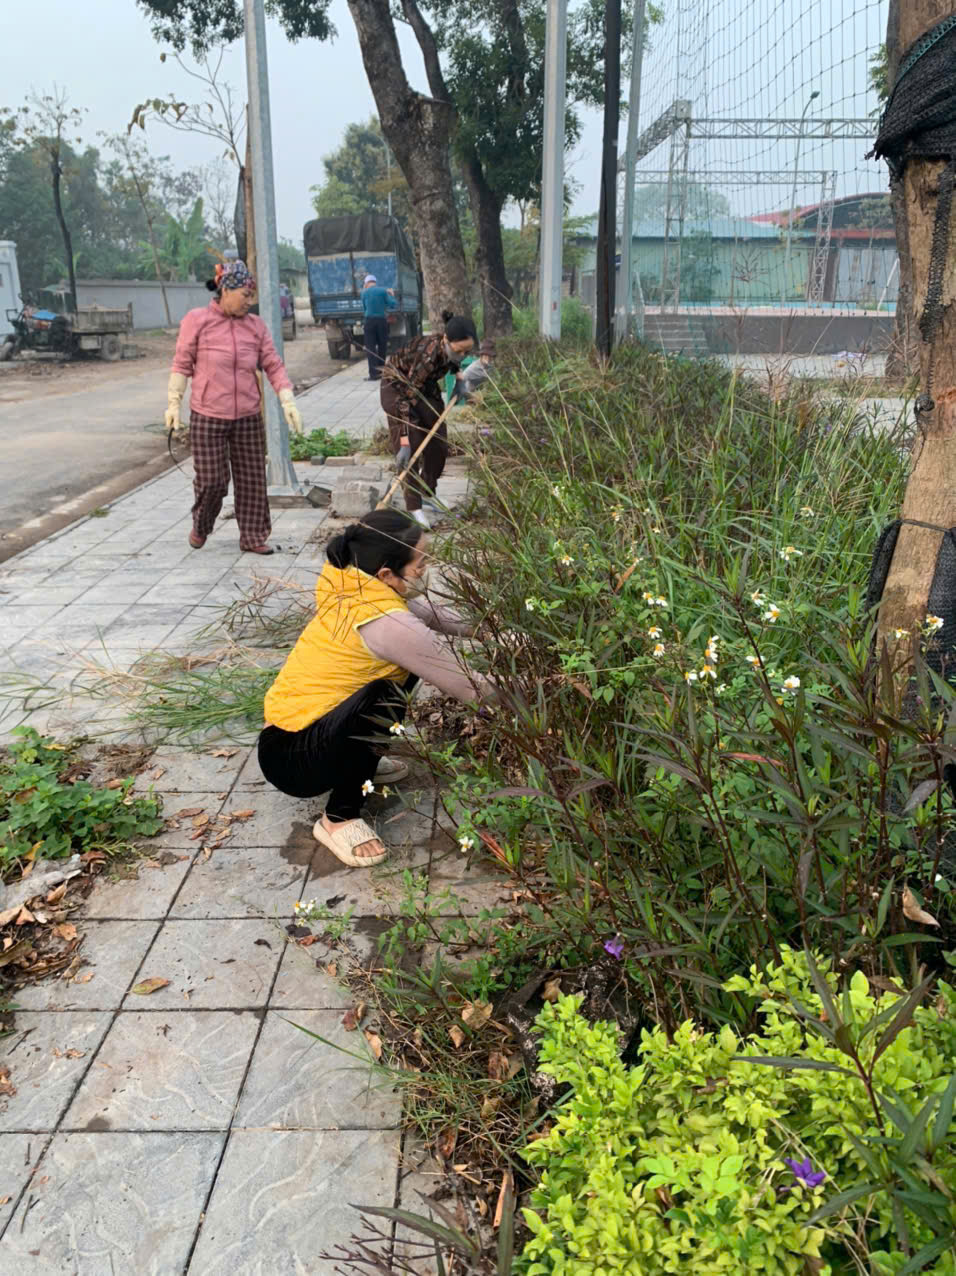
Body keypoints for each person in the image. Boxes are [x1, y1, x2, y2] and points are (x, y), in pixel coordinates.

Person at [258, 509, 496, 867]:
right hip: (294, 762)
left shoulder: (355, 584)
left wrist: (497, 625)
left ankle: (358, 762)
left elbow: (434, 616)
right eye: (421, 563)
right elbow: (475, 690)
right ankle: (338, 818)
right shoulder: (385, 622)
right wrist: (545, 688)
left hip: (290, 734)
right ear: (387, 573)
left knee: (395, 678)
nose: (426, 569)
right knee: (384, 692)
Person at [164, 259, 303, 556]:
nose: (249, 301)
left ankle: (253, 536)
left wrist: (287, 399)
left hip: (247, 416)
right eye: (245, 294)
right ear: (225, 290)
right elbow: (182, 363)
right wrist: (174, 403)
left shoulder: (255, 326)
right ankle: (201, 525)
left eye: (251, 295)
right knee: (212, 481)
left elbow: (273, 364)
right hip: (208, 415)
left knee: (252, 480)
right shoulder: (197, 321)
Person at [381, 310, 477, 530]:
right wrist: (404, 442)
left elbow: (452, 361)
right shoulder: (427, 357)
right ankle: (413, 507)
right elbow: (406, 399)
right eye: (459, 351)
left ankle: (427, 492)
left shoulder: (449, 349)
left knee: (438, 442)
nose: (463, 355)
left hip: (424, 387)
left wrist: (460, 379)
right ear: (446, 340)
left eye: (467, 351)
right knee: (412, 446)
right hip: (397, 389)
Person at [361, 274, 397, 381]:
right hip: (382, 321)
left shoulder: (364, 293)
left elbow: (365, 309)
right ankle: (381, 372)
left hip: (369, 322)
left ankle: (373, 375)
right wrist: (392, 295)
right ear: (375, 282)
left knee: (370, 348)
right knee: (382, 346)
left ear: (366, 283)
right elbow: (393, 304)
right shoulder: (383, 291)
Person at [449, 338, 496, 406]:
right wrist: (470, 396)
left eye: (490, 356)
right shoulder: (473, 368)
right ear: (481, 355)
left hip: (486, 396)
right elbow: (458, 383)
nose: (488, 359)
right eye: (486, 355)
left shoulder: (492, 367)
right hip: (472, 397)